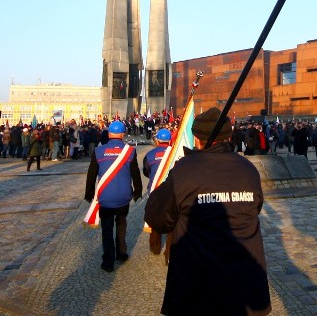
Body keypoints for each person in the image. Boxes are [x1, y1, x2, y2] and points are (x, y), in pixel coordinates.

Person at [145, 107, 271, 316]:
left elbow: (157, 219)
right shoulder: (248, 169)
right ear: (228, 136)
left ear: (197, 139)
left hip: (198, 289)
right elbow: (255, 208)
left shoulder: (185, 171)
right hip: (244, 288)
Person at [83, 120, 142, 273]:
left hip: (105, 197)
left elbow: (91, 175)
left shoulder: (98, 151)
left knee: (107, 228)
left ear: (109, 134)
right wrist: (138, 191)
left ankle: (108, 261)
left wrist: (89, 194)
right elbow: (135, 173)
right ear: (122, 135)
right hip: (124, 196)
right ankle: (121, 253)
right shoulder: (130, 151)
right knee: (121, 223)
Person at [143, 127, 172, 256]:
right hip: (172, 192)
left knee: (155, 220)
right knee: (173, 220)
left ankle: (155, 248)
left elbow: (146, 171)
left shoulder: (150, 155)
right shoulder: (175, 153)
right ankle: (170, 250)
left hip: (155, 191)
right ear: (170, 141)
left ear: (157, 141)